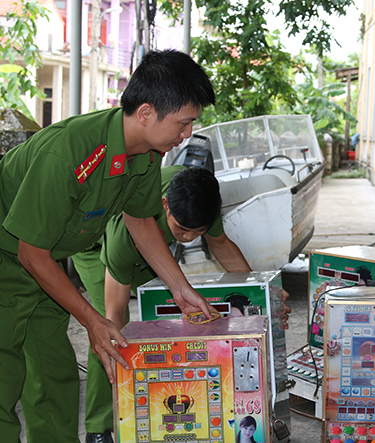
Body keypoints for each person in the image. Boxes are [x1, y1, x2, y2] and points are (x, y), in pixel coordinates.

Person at [0, 49, 217, 443]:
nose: (187, 134)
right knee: (4, 377)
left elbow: (139, 219)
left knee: (55, 374)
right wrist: (93, 319)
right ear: (147, 113)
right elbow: (30, 251)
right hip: (9, 259)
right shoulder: (68, 152)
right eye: (184, 123)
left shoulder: (147, 153)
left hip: (46, 262)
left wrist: (181, 289)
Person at [72, 165, 252, 443]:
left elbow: (221, 244)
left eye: (197, 232)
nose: (189, 238)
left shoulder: (200, 196)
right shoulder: (125, 239)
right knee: (107, 330)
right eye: (182, 229)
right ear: (165, 206)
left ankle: (160, 396)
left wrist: (261, 296)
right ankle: (99, 426)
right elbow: (115, 314)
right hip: (96, 244)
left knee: (162, 312)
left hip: (151, 243)